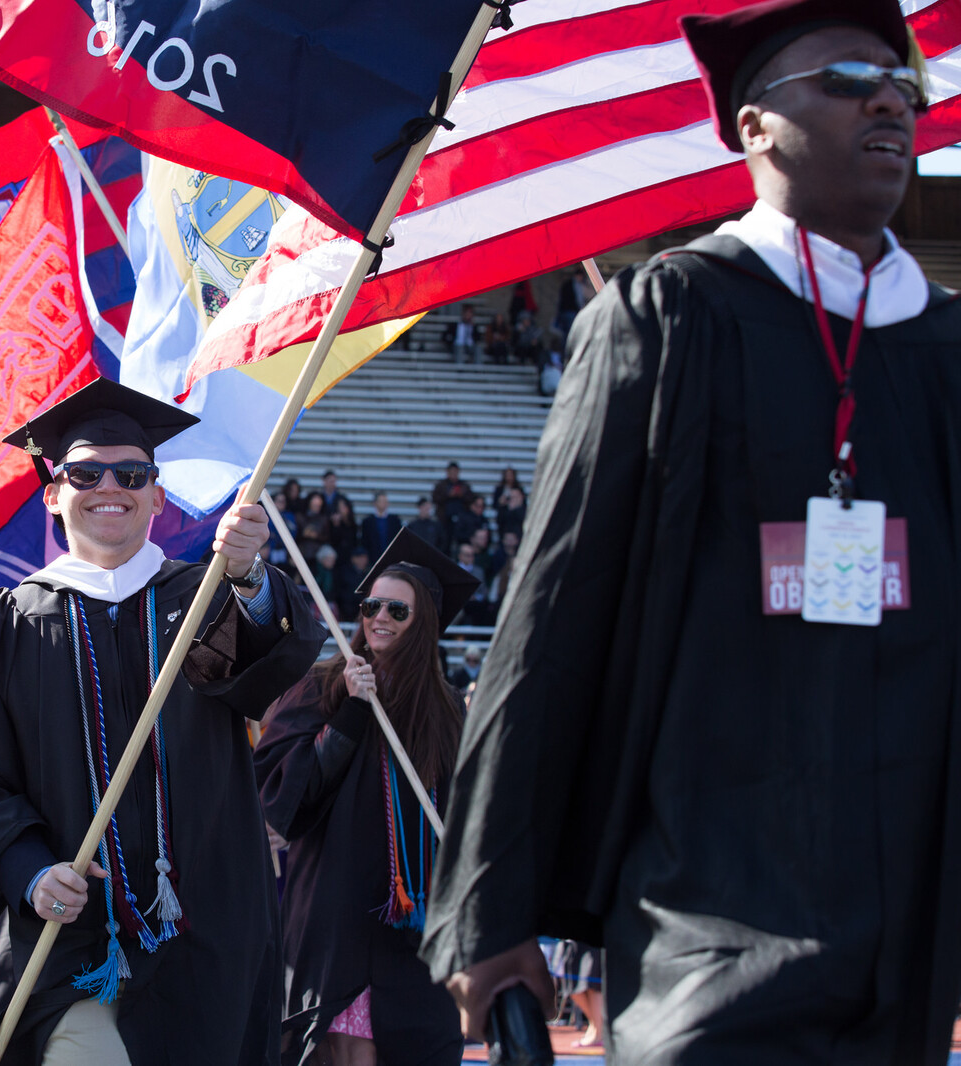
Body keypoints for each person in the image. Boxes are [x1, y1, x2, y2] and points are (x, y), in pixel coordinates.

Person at [421, 3, 961, 1062]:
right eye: (849, 75)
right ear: (752, 123)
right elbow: (549, 619)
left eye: (903, 81)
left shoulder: (945, 353)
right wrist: (486, 907)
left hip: (913, 917)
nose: (891, 95)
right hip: (706, 901)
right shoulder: (667, 315)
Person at [0, 378, 325, 1065]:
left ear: (157, 494)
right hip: (71, 936)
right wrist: (27, 870)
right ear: (52, 493)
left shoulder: (200, 599)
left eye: (132, 473)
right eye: (84, 471)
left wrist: (248, 577)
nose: (108, 484)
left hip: (205, 934)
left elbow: (266, 667)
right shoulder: (6, 625)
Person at [256, 530, 479, 1066]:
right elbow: (284, 798)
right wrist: (352, 711)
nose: (378, 617)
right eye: (371, 605)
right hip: (337, 911)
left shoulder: (448, 712)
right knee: (343, 1050)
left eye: (396, 610)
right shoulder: (323, 686)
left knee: (413, 1042)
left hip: (416, 924)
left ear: (422, 621)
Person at [359, 491, 403, 564]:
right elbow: (365, 542)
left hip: (391, 559)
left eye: (385, 501)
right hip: (373, 560)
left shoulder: (395, 521)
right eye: (381, 501)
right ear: (375, 503)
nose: (384, 503)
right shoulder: (367, 522)